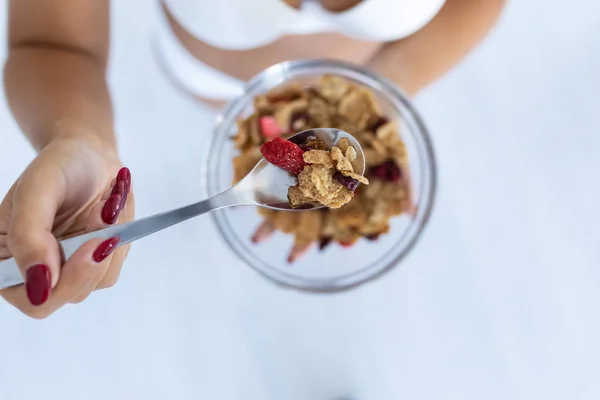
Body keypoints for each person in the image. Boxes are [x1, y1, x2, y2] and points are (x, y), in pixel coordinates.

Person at [0, 0, 506, 318]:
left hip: (363, 77)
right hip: (208, 81)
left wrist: (378, 98)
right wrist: (80, 137)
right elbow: (54, 42)